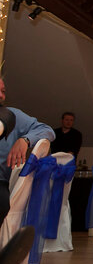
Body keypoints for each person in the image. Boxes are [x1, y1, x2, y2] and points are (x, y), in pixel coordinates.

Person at [0, 78, 55, 225]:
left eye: (3, 91)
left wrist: (26, 140)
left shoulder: (12, 115)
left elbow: (48, 131)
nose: (1, 95)